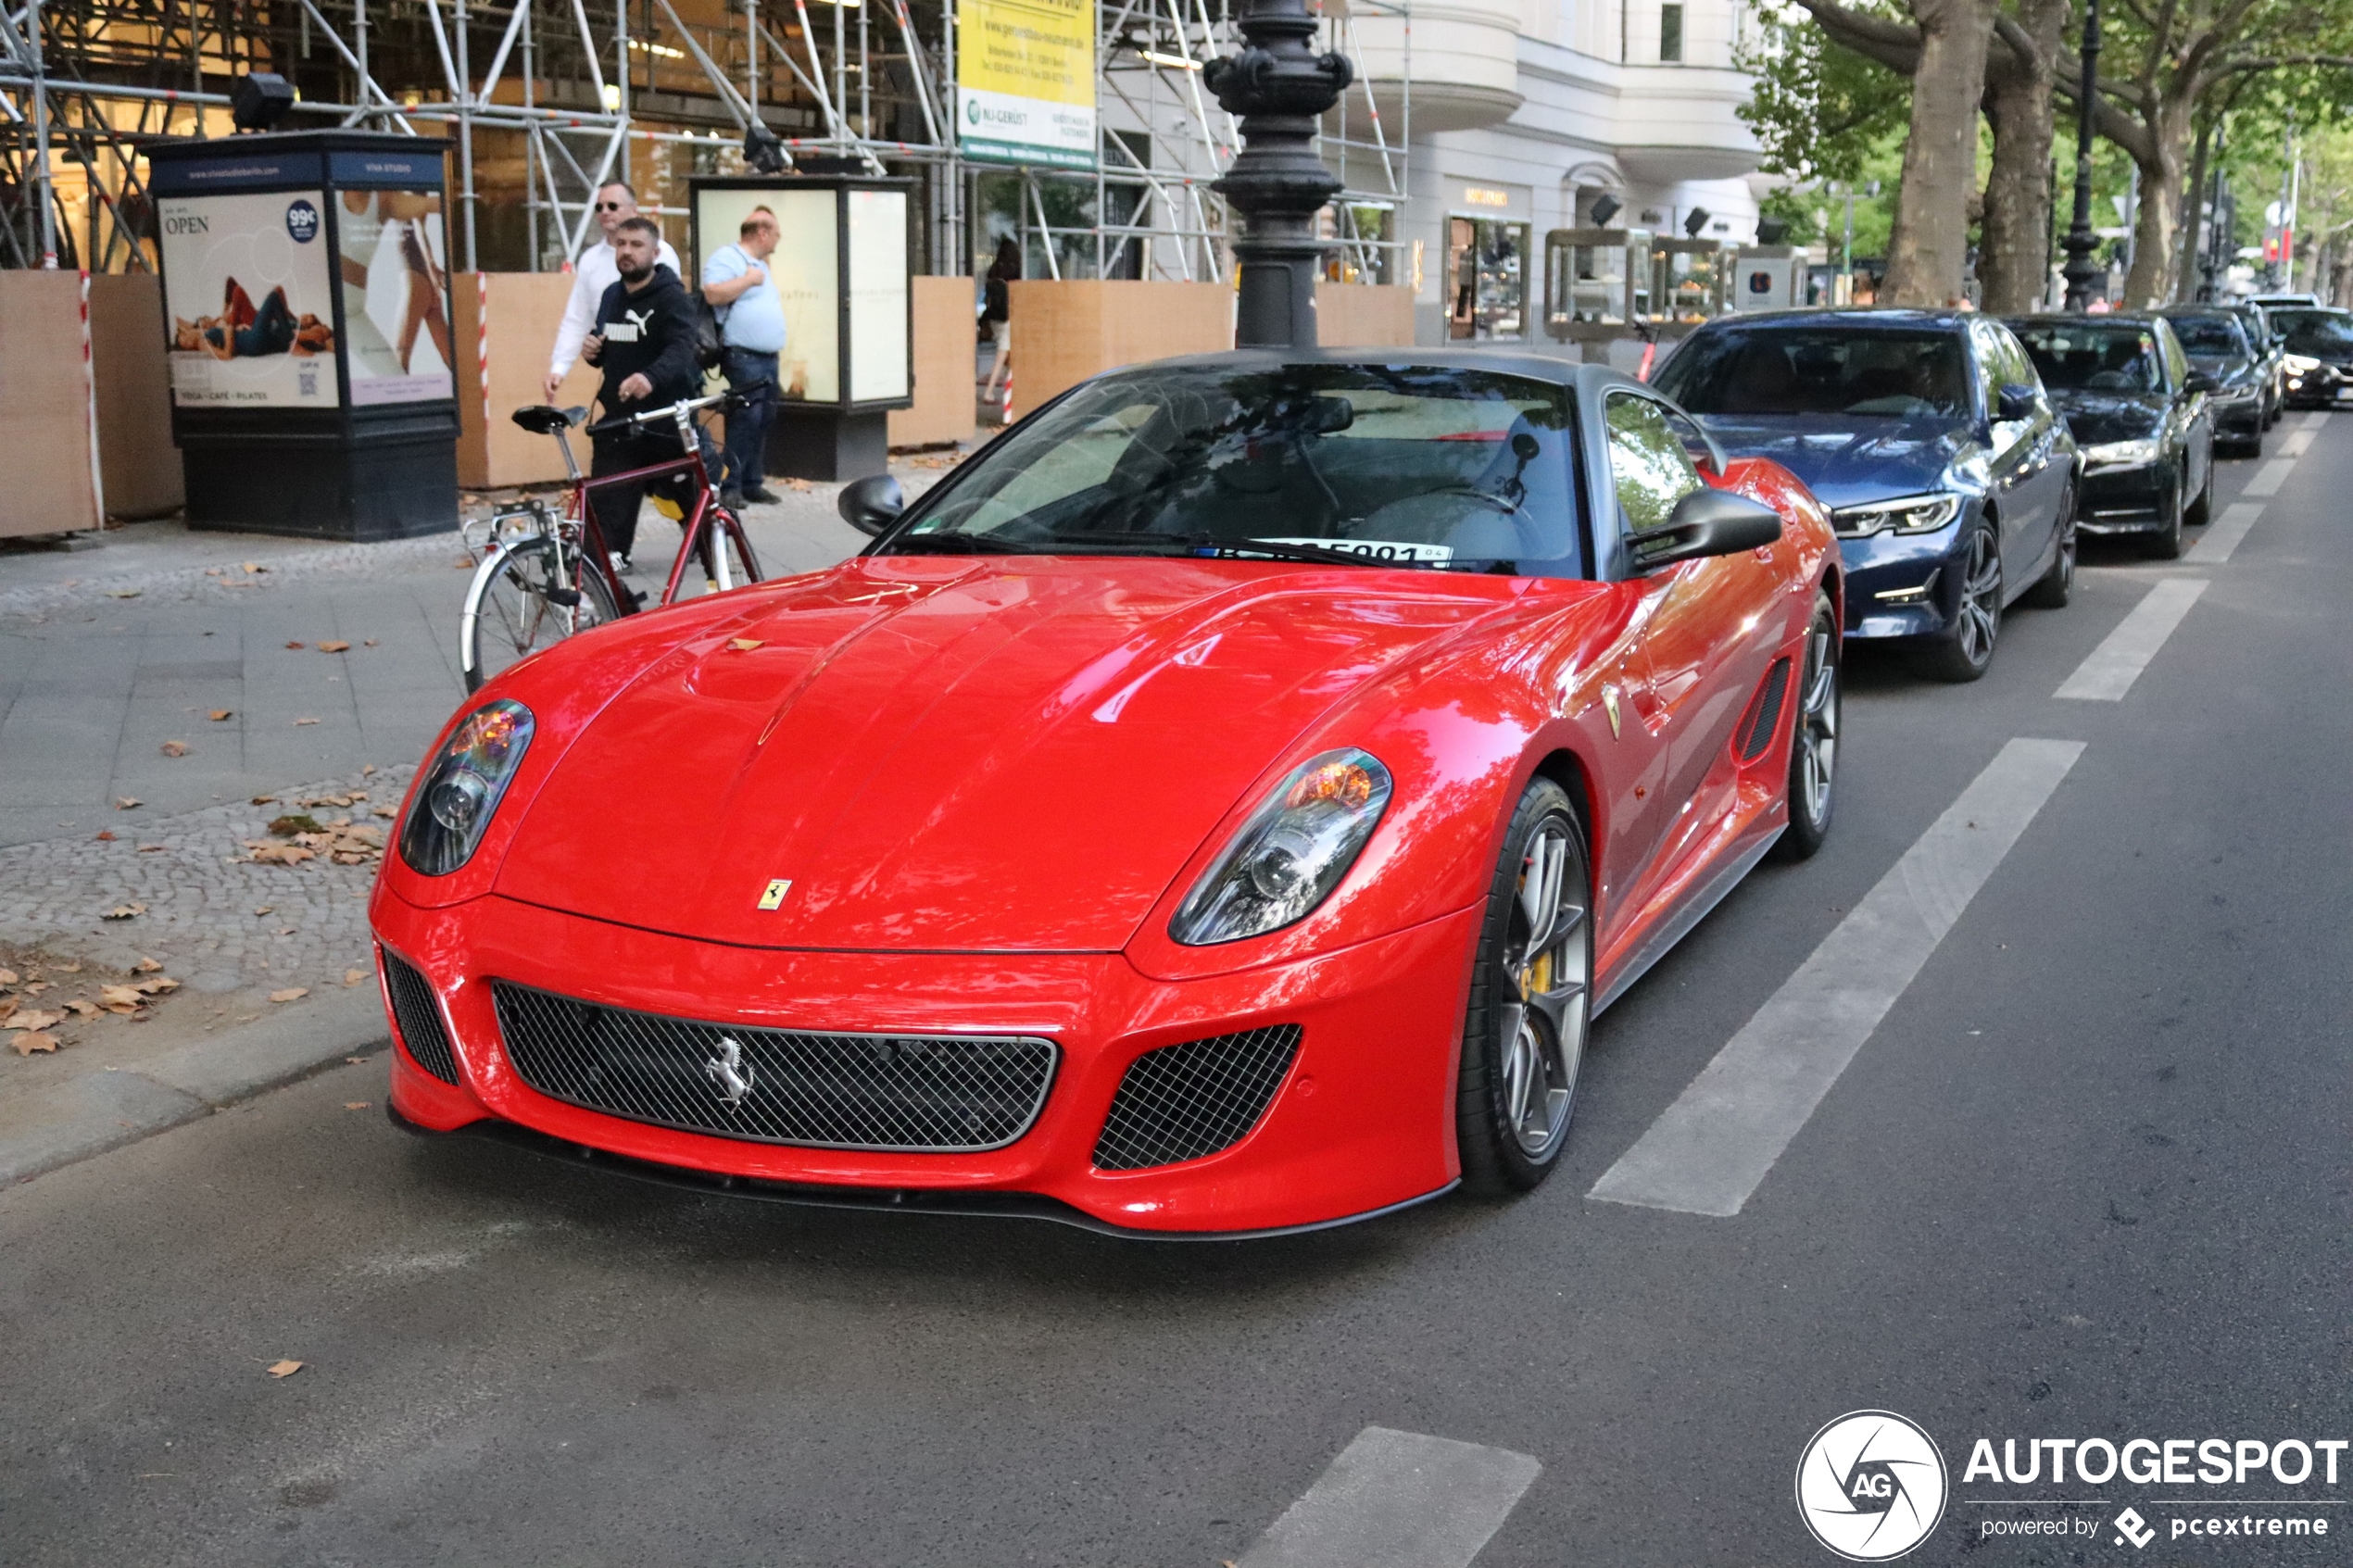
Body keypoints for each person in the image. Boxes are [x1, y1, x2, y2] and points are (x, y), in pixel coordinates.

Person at [581, 217, 704, 570]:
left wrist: (651, 377)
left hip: (664, 420)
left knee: (691, 499)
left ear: (655, 251)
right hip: (620, 420)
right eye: (621, 244)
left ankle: (713, 550)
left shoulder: (672, 298)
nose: (627, 252)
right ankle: (606, 563)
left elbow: (682, 351)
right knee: (608, 497)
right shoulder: (611, 296)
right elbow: (610, 344)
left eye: (636, 245)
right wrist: (594, 352)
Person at [546, 180, 681, 401]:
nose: (605, 212)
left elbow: (677, 321)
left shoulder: (662, 253)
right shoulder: (591, 261)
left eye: (612, 206)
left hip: (658, 377)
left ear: (634, 209)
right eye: (599, 207)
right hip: (616, 374)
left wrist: (655, 374)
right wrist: (560, 367)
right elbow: (578, 318)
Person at [700, 207, 786, 507]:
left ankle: (752, 481)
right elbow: (712, 293)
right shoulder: (729, 259)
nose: (778, 239)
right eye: (776, 233)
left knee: (763, 418)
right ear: (762, 233)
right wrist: (749, 279)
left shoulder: (759, 263)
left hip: (766, 356)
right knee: (746, 418)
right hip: (743, 355)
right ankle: (729, 485)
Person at [980, 235, 1018, 412]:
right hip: (1008, 319)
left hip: (994, 319)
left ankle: (1007, 384)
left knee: (1008, 355)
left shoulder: (993, 271)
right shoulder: (1014, 270)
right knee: (1002, 355)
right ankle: (989, 391)